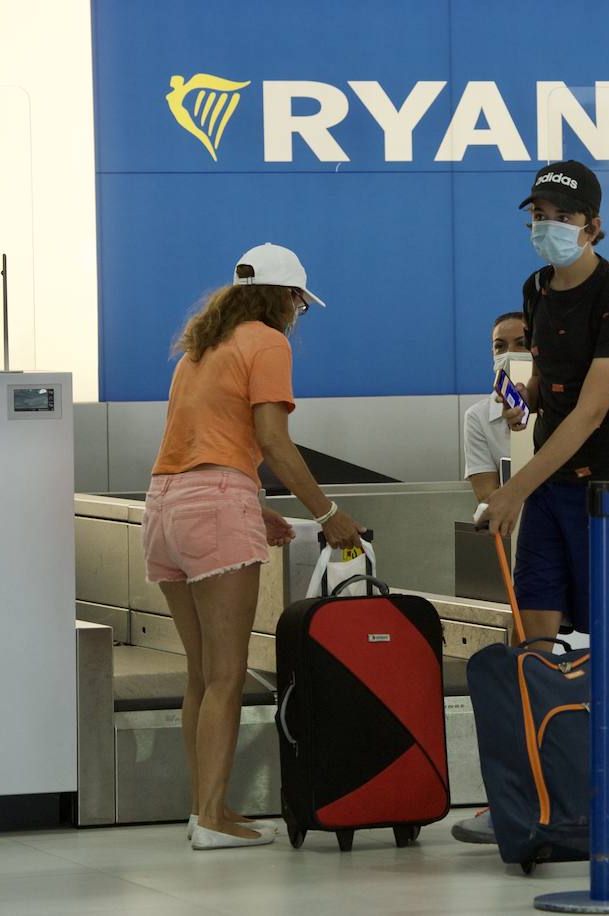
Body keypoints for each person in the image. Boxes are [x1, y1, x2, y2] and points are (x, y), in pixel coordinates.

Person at [142, 242, 364, 850]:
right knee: (226, 674)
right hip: (213, 505)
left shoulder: (199, 347)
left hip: (164, 505)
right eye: (299, 301)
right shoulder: (269, 341)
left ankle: (205, 808)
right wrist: (329, 513)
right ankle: (212, 819)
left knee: (199, 674)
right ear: (283, 297)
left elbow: (198, 445)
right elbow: (273, 439)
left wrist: (250, 502)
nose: (299, 312)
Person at [454, 160, 609, 846]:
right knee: (532, 630)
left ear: (594, 225)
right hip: (549, 484)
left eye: (561, 217)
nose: (547, 227)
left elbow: (592, 412)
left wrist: (516, 486)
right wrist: (519, 397)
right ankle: (539, 778)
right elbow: (550, 394)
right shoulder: (537, 287)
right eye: (537, 214)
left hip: (604, 486)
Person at [463, 311, 528, 504]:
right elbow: (487, 497)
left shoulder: (561, 405)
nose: (509, 353)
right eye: (500, 346)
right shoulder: (478, 417)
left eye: (521, 343)